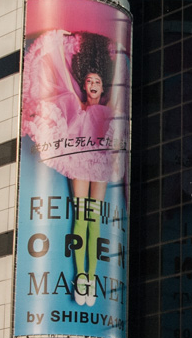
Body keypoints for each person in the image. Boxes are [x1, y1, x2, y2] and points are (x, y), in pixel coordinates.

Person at [20, 24, 128, 306]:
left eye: (97, 83)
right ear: (84, 83)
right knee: (81, 218)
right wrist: (56, 42)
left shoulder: (108, 109)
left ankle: (91, 278)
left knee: (96, 221)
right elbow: (61, 82)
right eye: (89, 81)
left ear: (103, 87)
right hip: (80, 162)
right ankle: (81, 277)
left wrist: (120, 57)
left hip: (102, 164)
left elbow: (120, 86)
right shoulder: (77, 106)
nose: (93, 86)